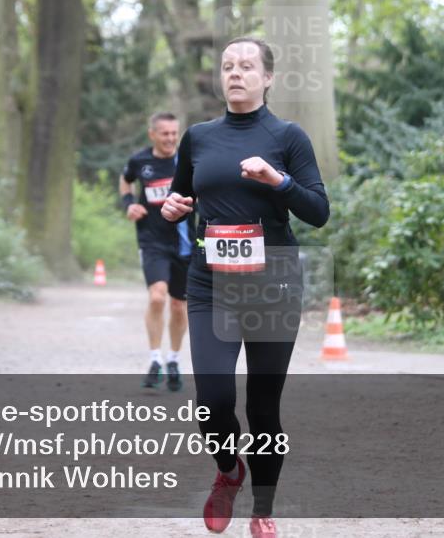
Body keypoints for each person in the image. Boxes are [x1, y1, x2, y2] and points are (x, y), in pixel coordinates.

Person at [161, 37, 329, 538]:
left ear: (268, 77)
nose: (235, 73)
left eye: (247, 66)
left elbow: (318, 212)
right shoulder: (199, 137)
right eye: (228, 66)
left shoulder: (288, 136)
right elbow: (181, 194)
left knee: (262, 408)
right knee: (211, 399)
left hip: (273, 285)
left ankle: (263, 510)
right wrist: (173, 207)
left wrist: (277, 180)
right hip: (212, 282)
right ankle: (228, 470)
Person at [120, 112, 195, 391]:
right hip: (152, 241)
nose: (171, 138)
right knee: (156, 296)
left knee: (178, 306)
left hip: (185, 244)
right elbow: (125, 180)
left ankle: (173, 359)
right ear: (152, 134)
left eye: (175, 133)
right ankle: (154, 360)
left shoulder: (187, 161)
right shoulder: (140, 161)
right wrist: (129, 204)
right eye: (165, 133)